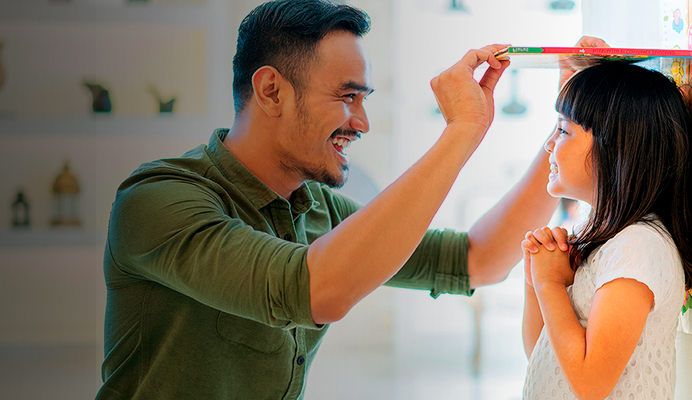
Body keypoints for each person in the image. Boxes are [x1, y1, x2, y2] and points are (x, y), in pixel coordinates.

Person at [98, 0, 557, 398]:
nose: (361, 123)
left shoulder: (315, 205)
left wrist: (569, 125)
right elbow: (317, 291)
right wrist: (460, 132)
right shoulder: (157, 201)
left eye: (364, 100)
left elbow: (478, 259)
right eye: (347, 97)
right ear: (271, 91)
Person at [520, 61, 692, 400]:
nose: (549, 145)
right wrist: (537, 282)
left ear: (614, 145)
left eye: (563, 130)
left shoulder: (637, 247)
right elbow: (542, 355)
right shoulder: (596, 233)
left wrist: (550, 284)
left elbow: (591, 385)